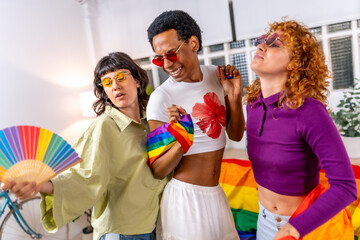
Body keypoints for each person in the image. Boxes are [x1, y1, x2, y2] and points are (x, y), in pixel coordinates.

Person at [1, 52, 167, 240]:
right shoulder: (104, 127)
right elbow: (85, 175)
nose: (116, 86)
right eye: (107, 82)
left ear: (137, 81)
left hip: (155, 223)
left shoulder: (153, 121)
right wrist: (43, 185)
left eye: (121, 76)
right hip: (122, 231)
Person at [245, 18, 358, 240]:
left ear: (294, 64)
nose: (260, 46)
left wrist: (293, 228)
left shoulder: (309, 111)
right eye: (262, 41)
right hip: (264, 222)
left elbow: (346, 187)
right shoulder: (252, 106)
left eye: (274, 44)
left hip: (302, 227)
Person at [146, 10, 245, 240]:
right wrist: (181, 138)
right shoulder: (162, 97)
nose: (167, 64)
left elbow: (237, 135)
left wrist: (234, 97)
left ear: (193, 43)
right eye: (159, 59)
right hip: (185, 200)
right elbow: (158, 170)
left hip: (216, 195)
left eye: (171, 53)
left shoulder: (217, 76)